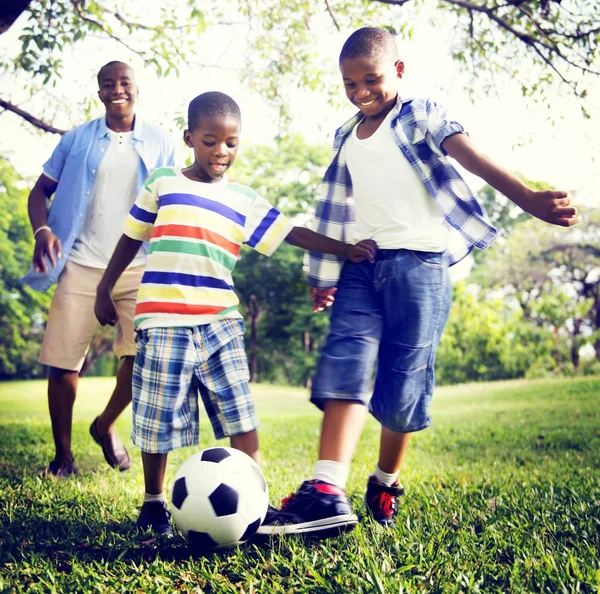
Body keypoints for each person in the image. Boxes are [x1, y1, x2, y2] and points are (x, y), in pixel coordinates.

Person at [257, 27, 579, 536]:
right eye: (349, 84)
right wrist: (324, 276)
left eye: (371, 80)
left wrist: (527, 198)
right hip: (363, 265)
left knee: (404, 383)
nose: (361, 92)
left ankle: (385, 480)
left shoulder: (420, 114)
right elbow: (334, 209)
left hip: (421, 267)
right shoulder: (345, 136)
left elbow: (469, 155)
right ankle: (325, 489)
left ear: (399, 72)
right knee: (345, 359)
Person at [94, 91, 377, 535]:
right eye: (209, 141)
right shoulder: (164, 183)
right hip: (162, 323)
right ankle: (153, 503)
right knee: (157, 420)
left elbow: (293, 233)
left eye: (231, 143)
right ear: (189, 138)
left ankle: (255, 506)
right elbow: (131, 238)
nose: (221, 152)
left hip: (221, 323)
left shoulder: (243, 200)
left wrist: (344, 249)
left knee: (240, 416)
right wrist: (104, 287)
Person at [22, 61, 176, 479]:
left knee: (142, 356)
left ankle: (105, 423)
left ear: (137, 88)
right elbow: (40, 191)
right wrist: (42, 230)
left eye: (124, 82)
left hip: (140, 265)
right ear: (100, 93)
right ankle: (63, 457)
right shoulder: (76, 140)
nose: (117, 89)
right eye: (108, 84)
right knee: (63, 362)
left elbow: (175, 201)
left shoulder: (162, 142)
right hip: (81, 263)